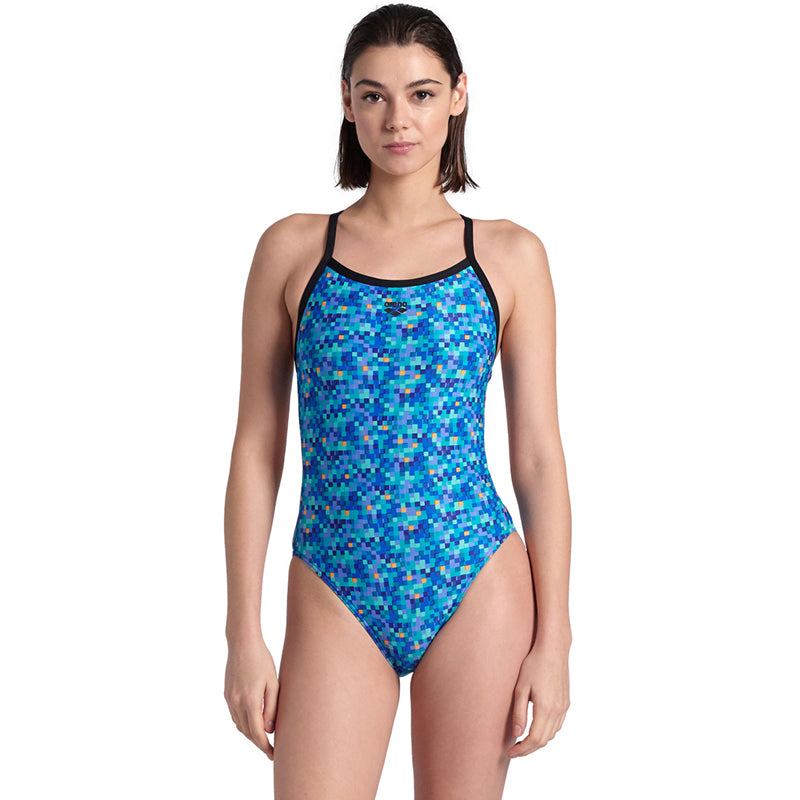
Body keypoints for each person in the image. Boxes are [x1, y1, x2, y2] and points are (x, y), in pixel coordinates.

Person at [223, 4, 572, 797]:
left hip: (474, 574)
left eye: (421, 94)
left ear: (458, 96)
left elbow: (539, 458)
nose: (397, 119)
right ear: (347, 104)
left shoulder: (508, 255)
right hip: (334, 578)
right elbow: (255, 446)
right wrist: (243, 631)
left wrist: (556, 640)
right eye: (373, 95)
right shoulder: (294, 250)